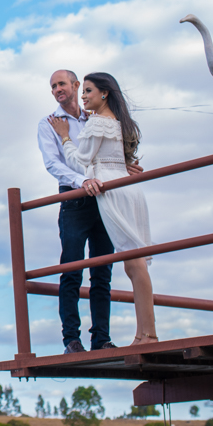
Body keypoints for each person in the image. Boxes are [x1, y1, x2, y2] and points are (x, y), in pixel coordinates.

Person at [48, 72, 157, 346]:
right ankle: (143, 334)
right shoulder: (118, 121)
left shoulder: (96, 121)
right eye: (83, 91)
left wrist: (65, 137)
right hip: (126, 188)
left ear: (104, 93)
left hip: (111, 192)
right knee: (134, 262)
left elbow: (80, 161)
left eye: (88, 90)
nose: (84, 96)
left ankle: (147, 335)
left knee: (132, 263)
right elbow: (108, 159)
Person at [38, 70, 115, 353]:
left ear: (76, 85)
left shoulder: (95, 118)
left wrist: (123, 166)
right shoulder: (49, 123)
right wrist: (81, 181)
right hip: (74, 199)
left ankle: (101, 339)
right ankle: (71, 339)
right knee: (71, 269)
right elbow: (52, 163)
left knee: (102, 272)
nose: (57, 89)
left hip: (103, 197)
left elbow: (103, 156)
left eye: (61, 84)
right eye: (53, 86)